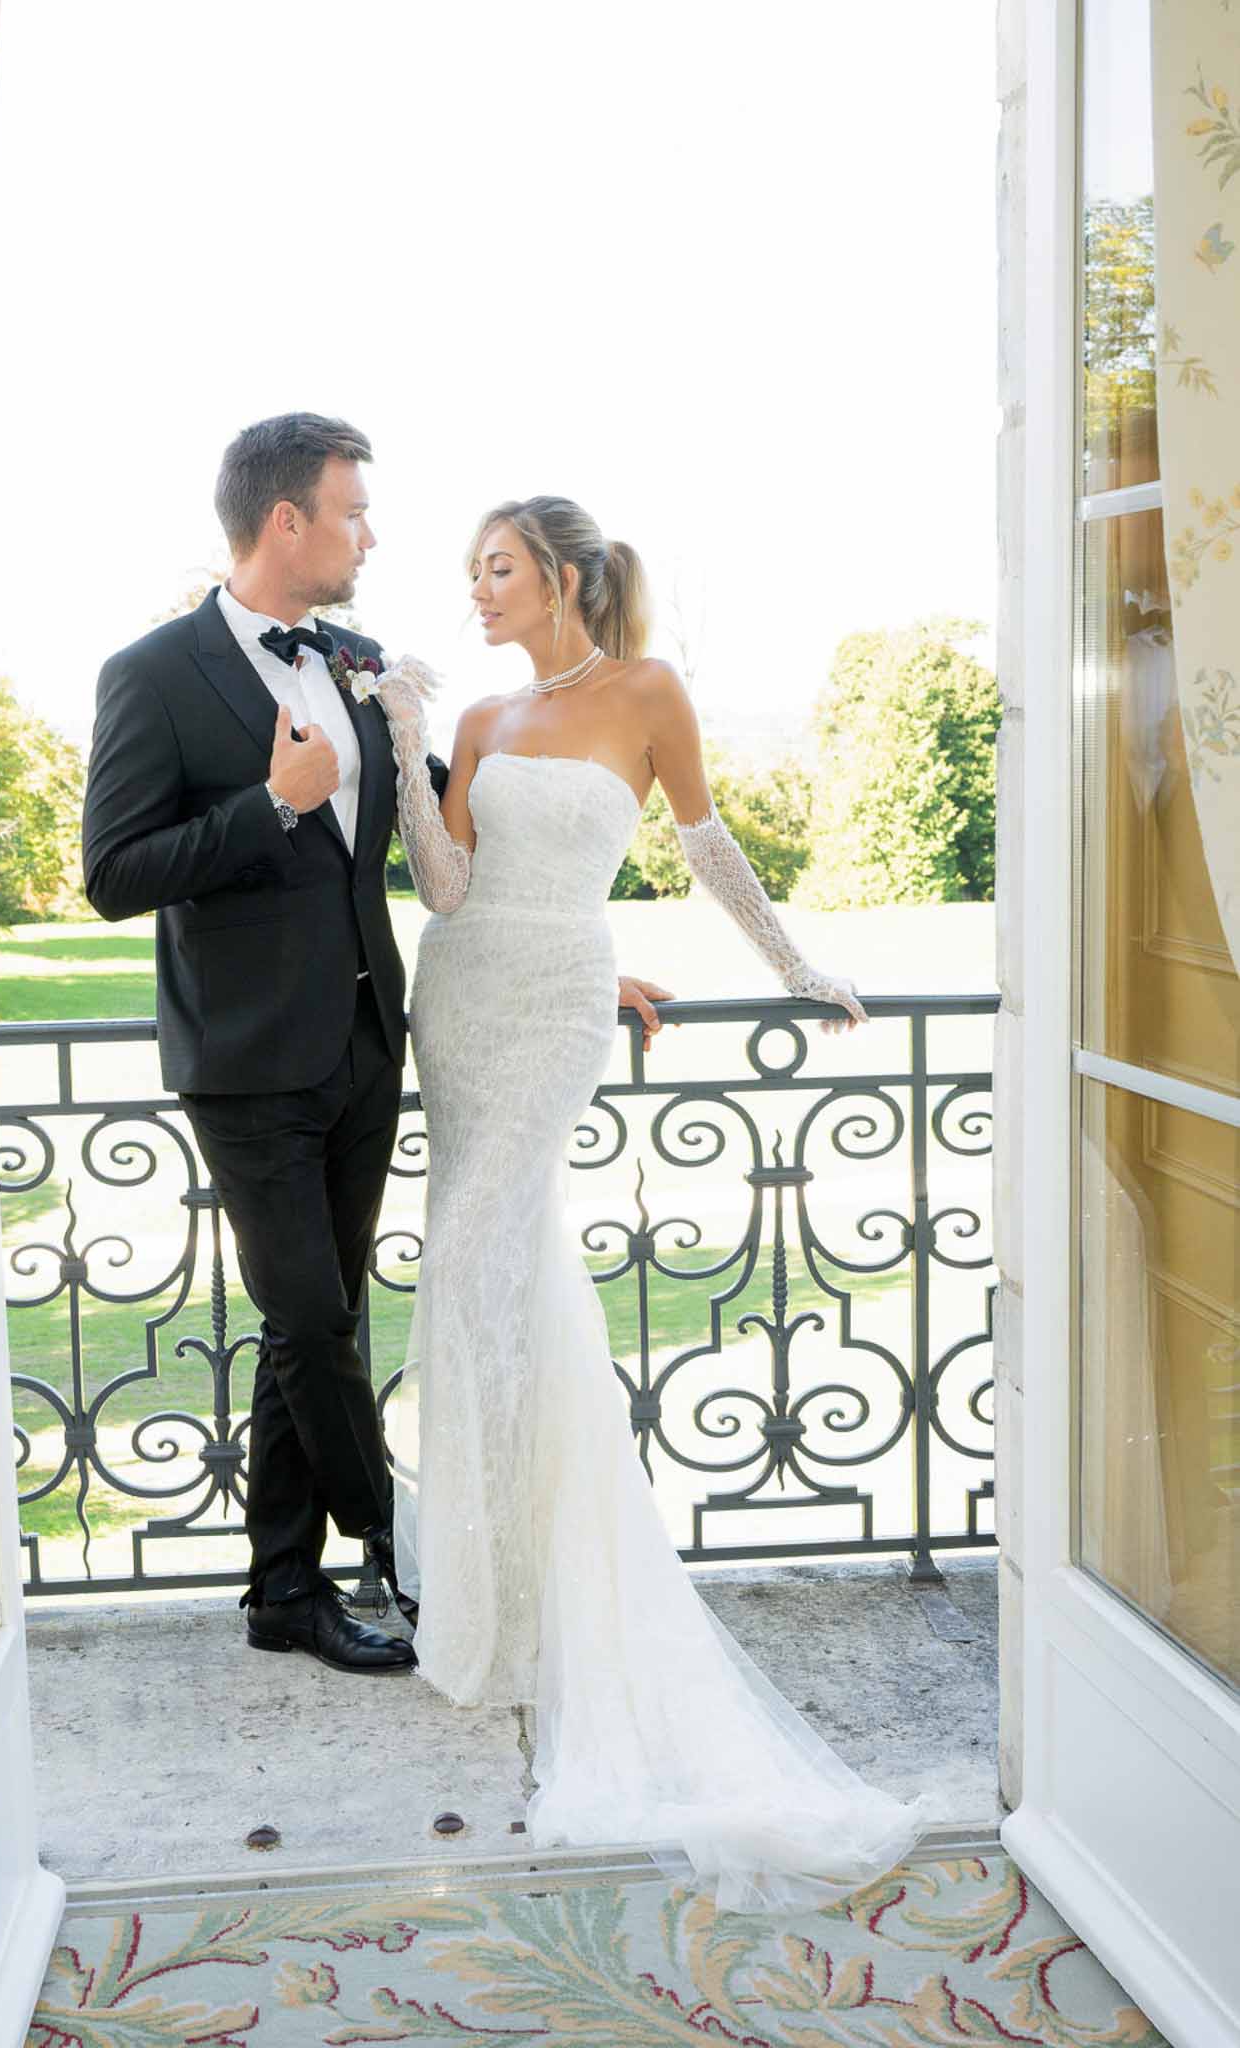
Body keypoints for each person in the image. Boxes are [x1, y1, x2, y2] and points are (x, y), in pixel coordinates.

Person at [372, 494, 936, 1911]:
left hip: (559, 1001)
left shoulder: (649, 689)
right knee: (465, 1276)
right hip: (464, 1002)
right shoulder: (487, 720)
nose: (477, 593)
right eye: (469, 574)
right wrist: (398, 742)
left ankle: (544, 1596)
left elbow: (703, 844)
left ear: (561, 574)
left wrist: (795, 965)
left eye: (497, 570)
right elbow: (442, 890)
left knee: (500, 1263)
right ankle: (487, 1600)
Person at [81, 418, 669, 1676]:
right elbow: (113, 874)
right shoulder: (152, 673)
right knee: (310, 1322)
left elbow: (482, 821)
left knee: (320, 1321)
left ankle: (283, 1591)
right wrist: (267, 808)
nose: (371, 537)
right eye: (354, 513)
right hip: (242, 1060)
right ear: (286, 519)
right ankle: (409, 1550)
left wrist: (566, 949)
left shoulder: (354, 661)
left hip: (371, 1046)